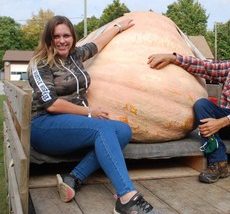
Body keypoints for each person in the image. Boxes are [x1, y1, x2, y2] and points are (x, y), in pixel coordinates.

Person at [28, 15, 162, 214]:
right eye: (56, 36)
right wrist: (89, 111)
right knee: (104, 127)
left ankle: (73, 178)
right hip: (45, 126)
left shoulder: (75, 56)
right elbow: (52, 104)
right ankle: (127, 197)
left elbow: (97, 44)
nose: (62, 40)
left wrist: (118, 27)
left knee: (123, 131)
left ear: (73, 37)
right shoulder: (40, 64)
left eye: (66, 35)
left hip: (74, 123)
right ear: (48, 38)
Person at [147, 31, 230, 186]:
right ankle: (217, 162)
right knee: (201, 104)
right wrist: (173, 58)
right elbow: (204, 66)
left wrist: (220, 122)